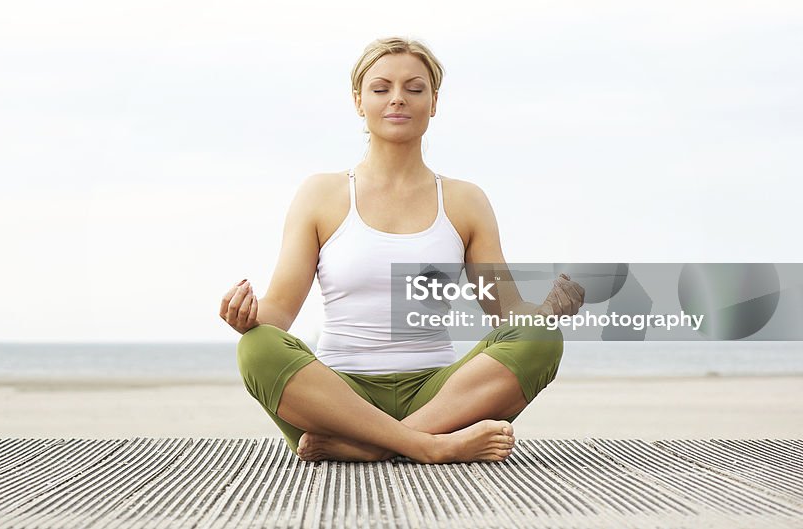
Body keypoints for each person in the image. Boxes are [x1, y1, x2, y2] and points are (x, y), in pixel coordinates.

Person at [219, 36, 585, 464]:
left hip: (439, 396)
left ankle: (370, 447)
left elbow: (505, 313)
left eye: (414, 89)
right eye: (381, 89)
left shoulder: (466, 201)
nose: (398, 100)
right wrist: (245, 318)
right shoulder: (320, 194)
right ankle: (428, 446)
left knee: (539, 338)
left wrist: (545, 315)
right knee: (256, 348)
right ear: (359, 101)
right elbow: (279, 310)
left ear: (433, 103)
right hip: (339, 397)